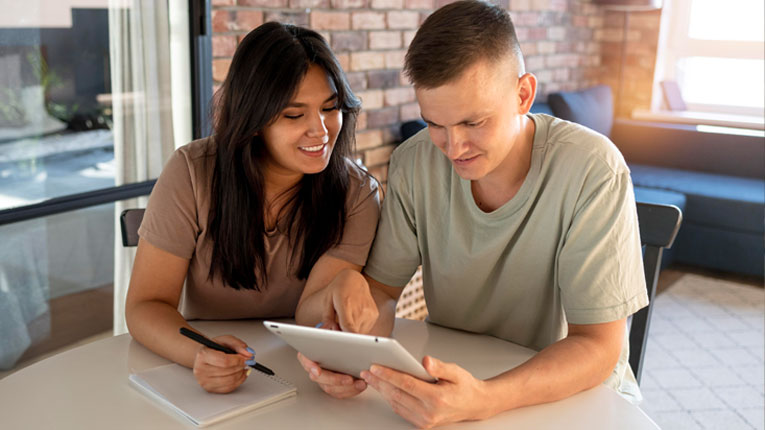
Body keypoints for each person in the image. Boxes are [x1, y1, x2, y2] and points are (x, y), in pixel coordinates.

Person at [298, 1, 648, 427]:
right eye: (435, 124)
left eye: (473, 123)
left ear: (523, 95)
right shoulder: (414, 161)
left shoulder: (593, 169)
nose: (453, 147)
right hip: (460, 378)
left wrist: (486, 399)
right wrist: (348, 349)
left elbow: (597, 346)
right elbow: (383, 293)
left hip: (574, 400)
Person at [125, 22, 386, 394]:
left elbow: (308, 315)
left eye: (331, 108)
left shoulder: (357, 193)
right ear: (254, 119)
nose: (322, 131)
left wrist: (339, 289)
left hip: (298, 366)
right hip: (206, 358)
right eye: (294, 115)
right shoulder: (192, 171)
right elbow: (145, 305)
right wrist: (200, 352)